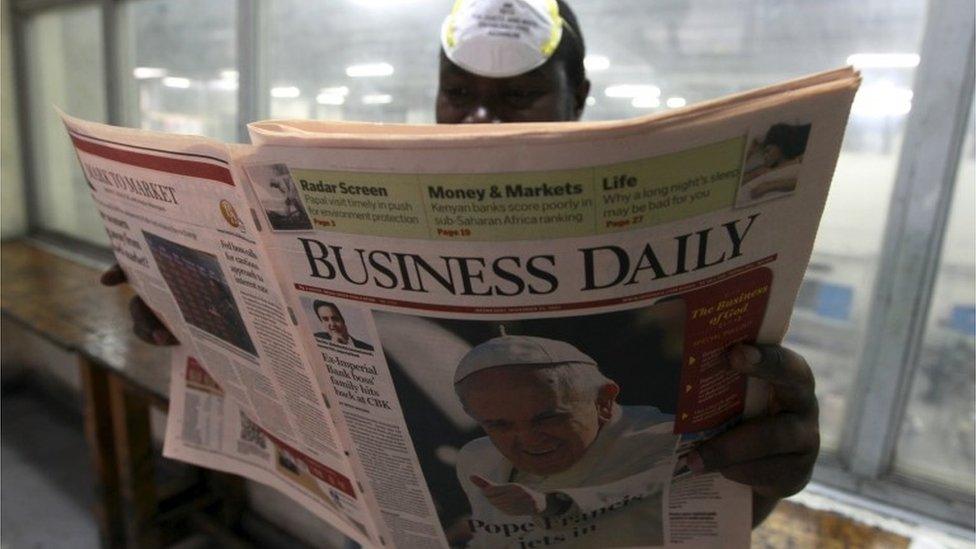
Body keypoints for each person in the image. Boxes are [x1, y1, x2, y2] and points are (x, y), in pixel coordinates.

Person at [103, 0, 820, 529]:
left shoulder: (662, 267)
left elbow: (687, 480)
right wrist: (188, 311)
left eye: (517, 98)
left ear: (581, 98)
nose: (481, 121)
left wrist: (762, 479)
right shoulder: (364, 218)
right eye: (460, 95)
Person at [454, 334, 677, 547]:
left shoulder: (665, 438)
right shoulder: (476, 458)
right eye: (500, 425)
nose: (530, 440)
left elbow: (643, 486)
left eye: (548, 418)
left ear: (603, 402)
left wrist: (550, 505)